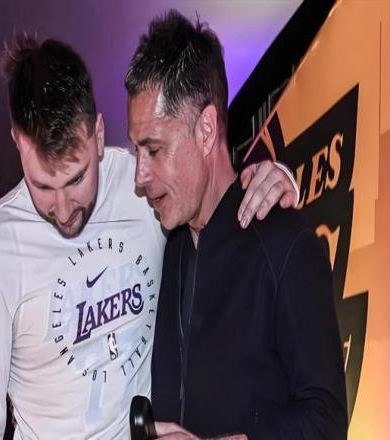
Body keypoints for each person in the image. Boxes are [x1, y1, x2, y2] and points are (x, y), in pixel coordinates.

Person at [0, 35, 297, 439]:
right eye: (42, 186)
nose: (62, 209)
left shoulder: (142, 190)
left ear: (99, 135)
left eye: (76, 179)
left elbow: (211, 203)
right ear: (16, 142)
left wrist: (274, 177)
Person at [126, 10, 348, 440]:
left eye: (154, 150)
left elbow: (327, 420)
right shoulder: (171, 241)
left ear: (206, 130)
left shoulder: (285, 243)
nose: (139, 175)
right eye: (136, 150)